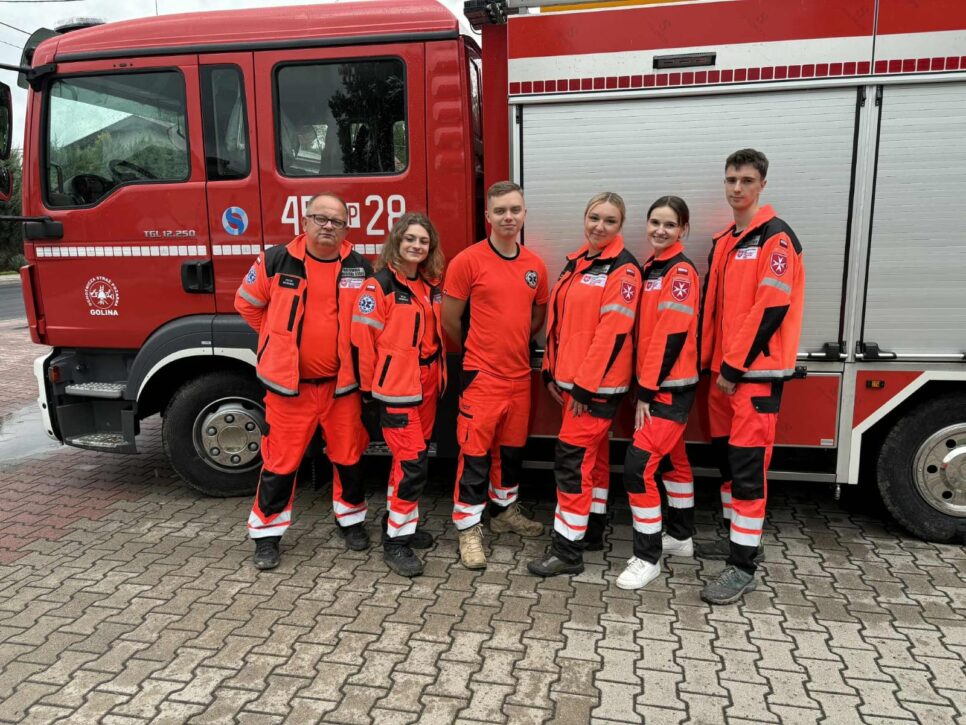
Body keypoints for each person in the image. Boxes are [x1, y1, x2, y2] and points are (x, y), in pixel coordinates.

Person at [236, 193, 372, 570]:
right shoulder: (276, 260)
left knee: (349, 458)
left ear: (346, 229)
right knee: (280, 462)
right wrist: (275, 340)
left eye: (337, 221)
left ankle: (351, 522)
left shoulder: (359, 267)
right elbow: (247, 304)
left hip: (341, 388)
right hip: (289, 390)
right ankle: (266, 535)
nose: (328, 226)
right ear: (305, 222)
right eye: (320, 218)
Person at [698, 148, 805, 604]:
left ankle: (742, 567)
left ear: (763, 184)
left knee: (747, 473)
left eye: (746, 180)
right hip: (721, 375)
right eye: (731, 180)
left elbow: (772, 307)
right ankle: (739, 543)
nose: (737, 188)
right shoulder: (726, 240)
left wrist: (734, 367)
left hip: (752, 377)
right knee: (727, 464)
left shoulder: (774, 238)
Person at [528, 192, 642, 577]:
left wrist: (584, 387)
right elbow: (561, 325)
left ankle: (567, 552)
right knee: (591, 462)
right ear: (585, 217)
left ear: (620, 226)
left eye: (610, 221)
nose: (599, 226)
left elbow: (613, 333)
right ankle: (590, 531)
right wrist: (550, 370)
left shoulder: (623, 270)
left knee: (572, 465)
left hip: (594, 390)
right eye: (595, 217)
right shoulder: (578, 262)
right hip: (575, 384)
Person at [442, 181, 550, 570]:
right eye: (500, 210)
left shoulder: (535, 266)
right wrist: (480, 350)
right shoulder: (467, 261)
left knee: (510, 453)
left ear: (524, 214)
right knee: (474, 456)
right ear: (487, 215)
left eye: (515, 210)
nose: (508, 217)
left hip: (519, 378)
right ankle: (468, 528)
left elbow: (536, 317)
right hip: (481, 377)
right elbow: (450, 321)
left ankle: (504, 513)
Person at [351, 213, 446, 577]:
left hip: (427, 383)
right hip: (397, 388)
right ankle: (395, 542)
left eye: (423, 240)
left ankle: (397, 521)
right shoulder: (378, 287)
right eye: (410, 239)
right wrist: (368, 390)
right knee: (412, 465)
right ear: (397, 241)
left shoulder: (428, 284)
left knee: (408, 461)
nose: (416, 246)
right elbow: (363, 343)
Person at [617, 196, 700, 590]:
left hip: (669, 388)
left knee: (638, 469)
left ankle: (647, 558)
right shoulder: (652, 267)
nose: (660, 230)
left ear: (683, 229)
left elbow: (671, 335)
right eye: (655, 222)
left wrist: (647, 392)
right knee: (674, 464)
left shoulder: (680, 271)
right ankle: (680, 538)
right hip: (657, 385)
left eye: (670, 224)